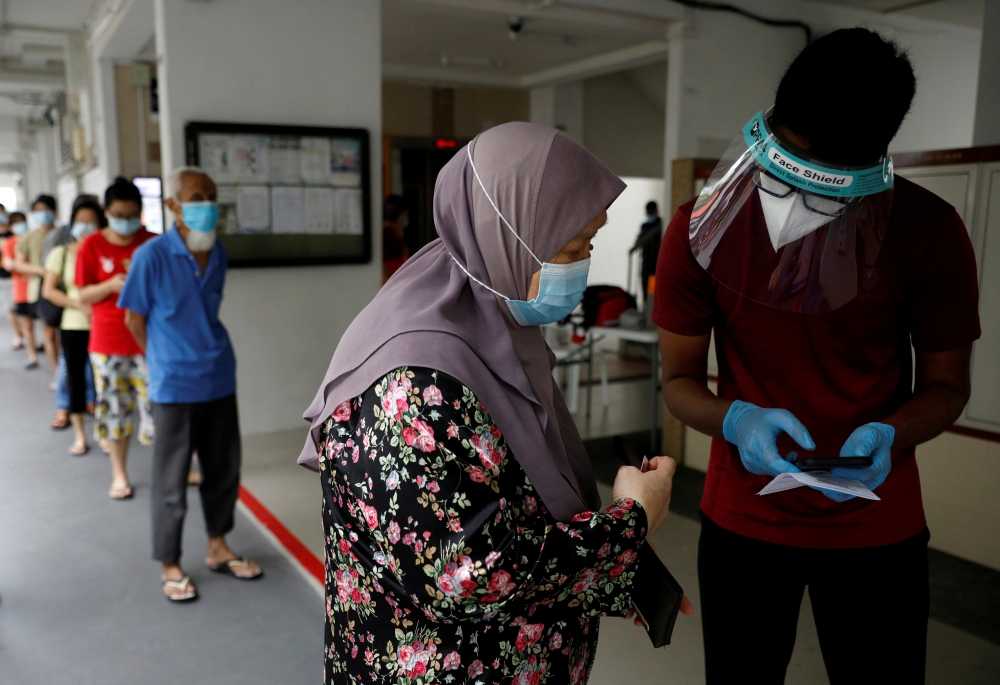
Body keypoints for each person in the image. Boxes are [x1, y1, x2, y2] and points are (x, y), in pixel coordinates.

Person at [300, 123, 688, 683]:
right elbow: (470, 574)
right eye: (572, 247)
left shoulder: (496, 328)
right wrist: (630, 523)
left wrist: (613, 570)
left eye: (590, 244)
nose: (582, 265)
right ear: (507, 234)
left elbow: (517, 502)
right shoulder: (411, 382)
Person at [654, 29, 979, 685]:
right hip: (743, 520)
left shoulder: (929, 231)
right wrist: (735, 420)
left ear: (869, 157)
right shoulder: (699, 226)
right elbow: (680, 379)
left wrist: (895, 431)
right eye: (781, 155)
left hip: (875, 529)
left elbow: (947, 385)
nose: (787, 186)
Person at [120, 166, 261, 603]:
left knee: (223, 469)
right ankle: (171, 562)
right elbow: (134, 320)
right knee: (171, 478)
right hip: (174, 384)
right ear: (174, 206)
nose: (208, 205)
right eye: (198, 196)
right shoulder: (151, 256)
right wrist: (162, 359)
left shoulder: (216, 251)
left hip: (219, 374)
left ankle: (218, 546)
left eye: (212, 196)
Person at [77, 178, 156, 499]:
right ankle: (119, 474)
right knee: (115, 412)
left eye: (133, 214)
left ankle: (173, 470)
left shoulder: (153, 242)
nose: (127, 221)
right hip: (108, 344)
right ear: (107, 212)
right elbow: (82, 293)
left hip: (150, 341)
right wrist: (110, 286)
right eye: (120, 214)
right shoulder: (92, 245)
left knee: (160, 409)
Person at [42, 198, 104, 455]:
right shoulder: (61, 253)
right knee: (76, 379)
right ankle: (80, 434)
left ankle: (105, 433)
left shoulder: (103, 251)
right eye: (81, 221)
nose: (86, 226)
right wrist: (77, 304)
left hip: (103, 325)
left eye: (91, 221)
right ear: (72, 223)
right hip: (73, 325)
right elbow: (49, 291)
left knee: (103, 382)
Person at [15, 194, 67, 385]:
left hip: (65, 289)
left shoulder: (65, 234)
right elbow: (19, 264)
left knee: (66, 334)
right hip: (40, 290)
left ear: (54, 210)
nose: (42, 214)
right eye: (38, 210)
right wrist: (38, 270)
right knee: (49, 333)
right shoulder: (28, 237)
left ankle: (67, 371)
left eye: (46, 209)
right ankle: (58, 375)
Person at [2, 212, 38, 363]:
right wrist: (33, 268)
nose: (20, 225)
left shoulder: (34, 238)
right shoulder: (10, 243)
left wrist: (22, 265)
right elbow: (9, 265)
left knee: (47, 325)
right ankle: (32, 356)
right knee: (26, 324)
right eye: (16, 223)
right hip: (21, 289)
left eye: (22, 221)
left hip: (37, 287)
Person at [634, 200, 662, 307]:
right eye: (648, 212)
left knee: (654, 286)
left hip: (655, 261)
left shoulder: (660, 224)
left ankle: (653, 307)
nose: (649, 214)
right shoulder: (644, 226)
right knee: (645, 284)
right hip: (646, 259)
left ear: (656, 211)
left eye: (651, 212)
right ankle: (647, 306)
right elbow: (639, 241)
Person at [382, 194, 410, 283]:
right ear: (401, 216)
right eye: (406, 215)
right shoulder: (388, 235)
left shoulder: (391, 234)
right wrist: (393, 283)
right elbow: (380, 266)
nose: (406, 219)